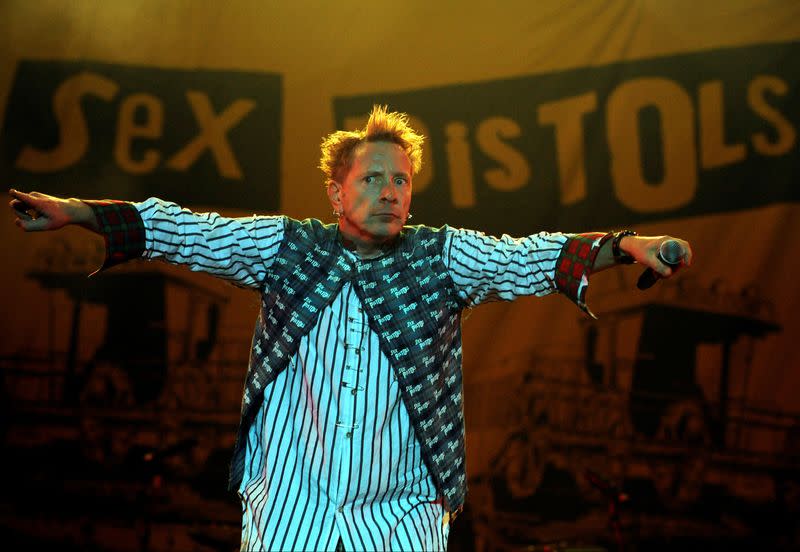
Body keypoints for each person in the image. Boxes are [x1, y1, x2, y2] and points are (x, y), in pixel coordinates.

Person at [8, 105, 692, 551]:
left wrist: (626, 245)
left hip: (399, 509)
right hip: (292, 499)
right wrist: (77, 211)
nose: (390, 191)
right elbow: (185, 230)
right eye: (372, 179)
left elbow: (530, 256)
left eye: (401, 180)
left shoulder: (441, 256)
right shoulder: (287, 246)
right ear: (337, 192)